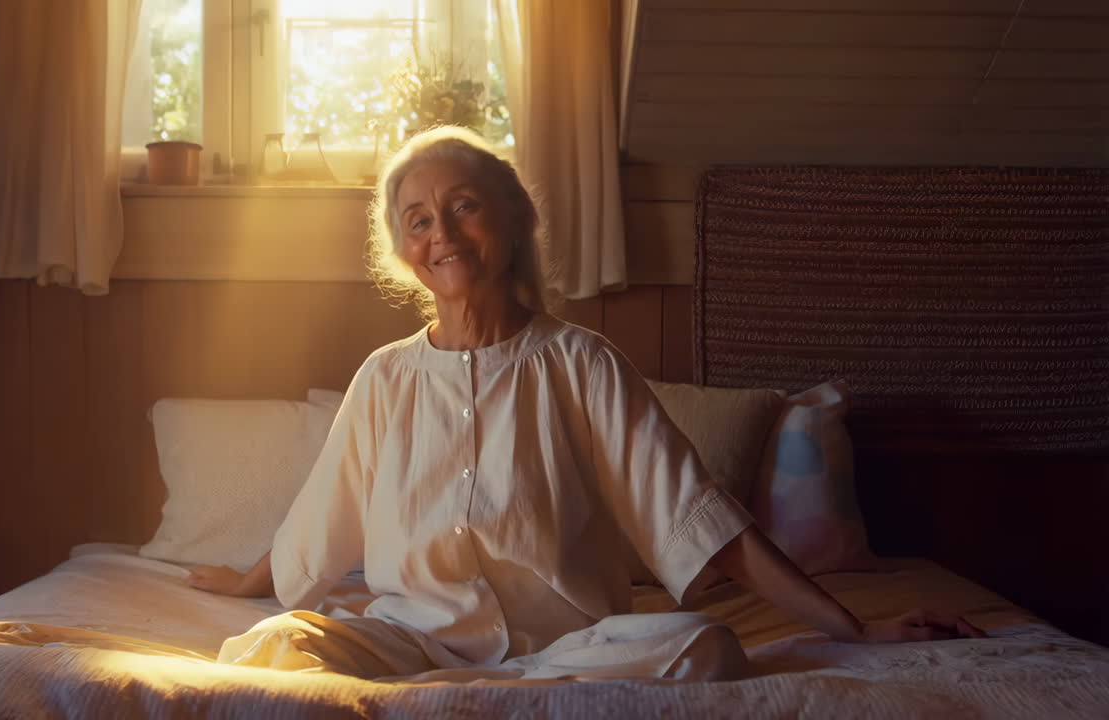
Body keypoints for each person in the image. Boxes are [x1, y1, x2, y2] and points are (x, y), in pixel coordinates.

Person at [186, 126, 986, 681]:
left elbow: (700, 519)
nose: (444, 234)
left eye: (463, 205)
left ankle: (523, 696)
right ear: (404, 252)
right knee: (273, 650)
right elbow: (317, 525)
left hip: (567, 647)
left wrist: (854, 628)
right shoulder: (386, 378)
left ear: (510, 219)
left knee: (703, 646)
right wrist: (248, 581)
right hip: (413, 643)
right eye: (419, 220)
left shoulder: (581, 363)